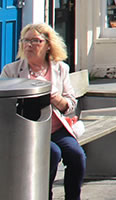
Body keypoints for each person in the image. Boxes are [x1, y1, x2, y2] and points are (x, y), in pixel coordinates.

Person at [1, 23, 85, 200]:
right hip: (26, 131)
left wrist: (56, 99)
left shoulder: (60, 68)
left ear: (48, 45)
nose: (29, 45)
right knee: (52, 154)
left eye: (35, 41)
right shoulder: (11, 71)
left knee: (77, 156)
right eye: (25, 40)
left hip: (55, 129)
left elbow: (70, 105)